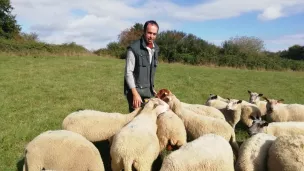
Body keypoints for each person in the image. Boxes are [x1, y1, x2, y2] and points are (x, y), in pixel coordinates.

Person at [124, 20, 160, 112]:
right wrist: (135, 94)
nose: (151, 36)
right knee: (135, 121)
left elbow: (149, 71)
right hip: (135, 92)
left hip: (148, 92)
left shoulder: (155, 49)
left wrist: (151, 88)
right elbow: (128, 72)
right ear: (144, 32)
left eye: (154, 34)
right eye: (149, 33)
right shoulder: (134, 49)